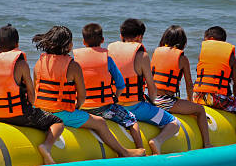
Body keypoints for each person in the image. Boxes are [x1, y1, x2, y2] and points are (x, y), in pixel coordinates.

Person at [31, 25, 145, 158]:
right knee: (100, 123)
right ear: (68, 45)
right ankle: (124, 152)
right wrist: (76, 108)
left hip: (41, 111)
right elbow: (82, 95)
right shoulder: (72, 66)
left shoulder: (40, 62)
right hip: (61, 113)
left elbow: (36, 89)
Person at [0, 24, 64, 164]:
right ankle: (46, 147)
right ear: (17, 44)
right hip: (20, 115)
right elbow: (31, 96)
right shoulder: (21, 65)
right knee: (58, 122)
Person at [107, 18, 181, 155]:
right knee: (174, 123)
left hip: (113, 106)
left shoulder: (109, 50)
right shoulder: (142, 56)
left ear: (121, 36)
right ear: (140, 37)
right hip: (136, 108)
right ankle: (157, 141)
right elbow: (151, 87)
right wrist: (153, 102)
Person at [73, 23, 145, 150]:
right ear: (102, 40)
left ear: (84, 41)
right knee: (132, 120)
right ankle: (140, 149)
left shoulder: (75, 60)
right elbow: (121, 85)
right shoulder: (108, 60)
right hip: (103, 109)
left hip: (81, 108)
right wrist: (115, 98)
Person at [151, 25, 213, 148]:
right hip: (165, 101)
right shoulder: (182, 59)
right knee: (200, 110)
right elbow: (189, 85)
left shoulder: (156, 52)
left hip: (151, 99)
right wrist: (191, 102)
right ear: (182, 42)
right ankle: (207, 144)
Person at [192, 26, 236, 142]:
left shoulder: (203, 53)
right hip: (217, 99)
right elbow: (235, 83)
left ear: (209, 39)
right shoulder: (230, 57)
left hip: (198, 97)